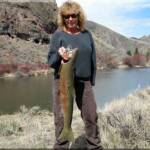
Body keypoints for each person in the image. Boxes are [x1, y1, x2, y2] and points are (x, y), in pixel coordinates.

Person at [48, 0, 102, 149]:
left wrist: (92, 80)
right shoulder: (58, 35)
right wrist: (59, 56)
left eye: (73, 15)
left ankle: (95, 145)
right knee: (61, 118)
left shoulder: (86, 34)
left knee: (91, 116)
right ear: (62, 18)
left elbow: (93, 58)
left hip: (84, 83)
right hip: (63, 82)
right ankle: (61, 146)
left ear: (79, 16)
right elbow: (51, 61)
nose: (70, 19)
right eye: (66, 16)